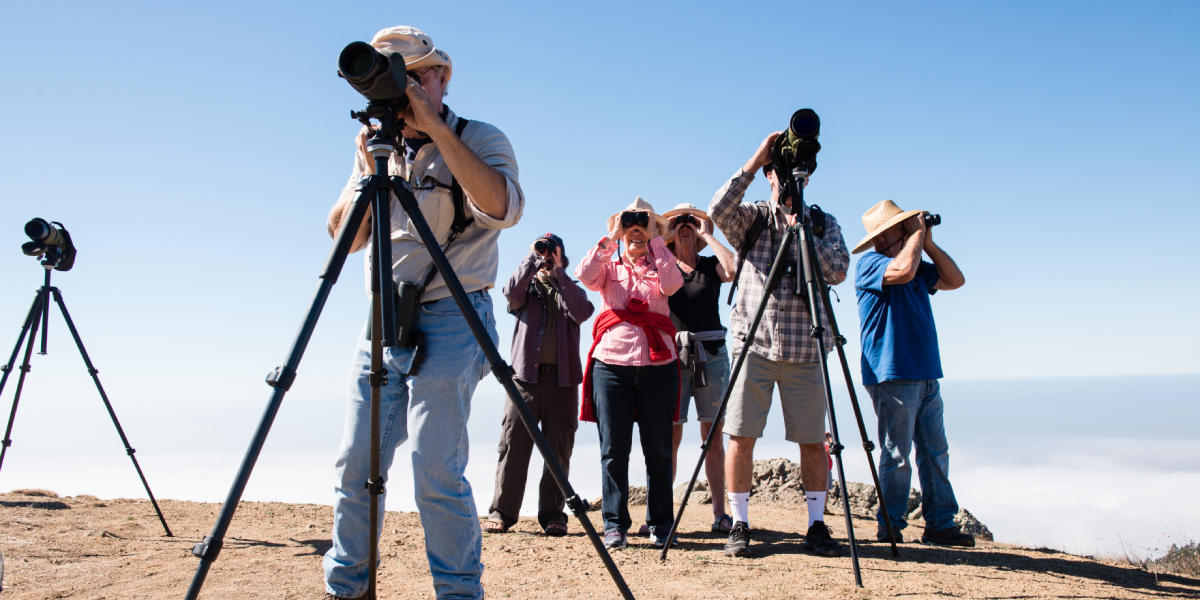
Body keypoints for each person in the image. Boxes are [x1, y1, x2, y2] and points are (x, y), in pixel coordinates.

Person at [321, 26, 523, 600]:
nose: (402, 90)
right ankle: (348, 589)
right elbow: (345, 240)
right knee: (355, 467)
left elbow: (501, 207)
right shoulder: (377, 150)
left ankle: (459, 593)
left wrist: (435, 130)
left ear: (441, 79)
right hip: (384, 319)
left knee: (435, 470)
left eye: (413, 76)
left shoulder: (480, 137)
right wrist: (366, 174)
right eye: (393, 79)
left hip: (455, 314)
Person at [708, 131, 850, 558]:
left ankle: (817, 525)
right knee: (741, 436)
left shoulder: (822, 223)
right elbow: (718, 210)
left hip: (807, 348)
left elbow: (838, 270)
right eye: (780, 173)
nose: (789, 181)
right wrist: (756, 159)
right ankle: (740, 524)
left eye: (796, 176)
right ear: (770, 174)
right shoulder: (752, 217)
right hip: (755, 344)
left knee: (812, 440)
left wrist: (800, 227)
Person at [851, 199, 972, 547]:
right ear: (887, 233)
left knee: (935, 450)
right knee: (897, 453)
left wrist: (927, 242)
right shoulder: (870, 263)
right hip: (891, 373)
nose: (908, 230)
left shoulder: (917, 262)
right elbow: (902, 271)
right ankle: (890, 525)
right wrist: (917, 237)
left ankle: (940, 524)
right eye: (902, 226)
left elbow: (955, 280)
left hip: (925, 371)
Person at [575, 197, 683, 550]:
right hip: (613, 366)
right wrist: (612, 236)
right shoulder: (610, 264)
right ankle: (614, 525)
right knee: (613, 450)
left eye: (645, 223)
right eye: (631, 225)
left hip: (658, 366)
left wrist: (654, 239)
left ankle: (661, 524)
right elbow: (585, 275)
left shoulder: (662, 261)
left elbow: (672, 285)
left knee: (659, 450)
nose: (636, 230)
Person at [485, 234, 593, 537]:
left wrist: (559, 273)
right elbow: (510, 293)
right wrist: (532, 258)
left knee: (558, 449)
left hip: (563, 381)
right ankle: (502, 512)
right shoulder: (526, 290)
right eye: (542, 253)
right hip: (524, 380)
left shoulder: (572, 290)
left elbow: (583, 312)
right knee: (513, 446)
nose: (546, 258)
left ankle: (553, 514)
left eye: (551, 253)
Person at [661, 203, 737, 534]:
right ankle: (664, 514)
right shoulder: (662, 265)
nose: (684, 225)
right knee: (671, 436)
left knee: (713, 438)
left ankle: (720, 512)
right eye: (677, 222)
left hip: (713, 354)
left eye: (690, 221)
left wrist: (709, 232)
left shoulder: (709, 265)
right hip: (673, 355)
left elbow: (732, 269)